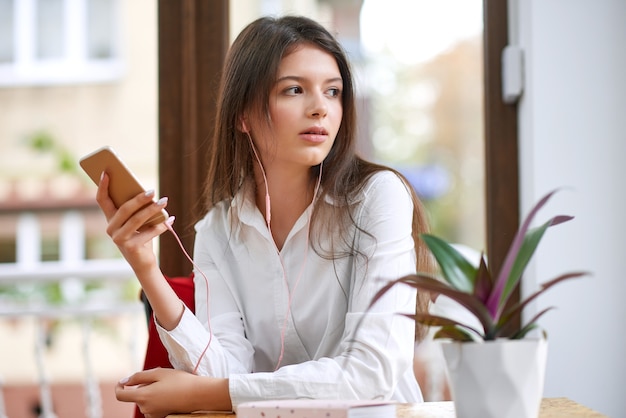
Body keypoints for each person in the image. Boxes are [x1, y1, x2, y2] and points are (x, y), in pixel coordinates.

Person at [96, 15, 432, 418]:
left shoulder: (378, 197)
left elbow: (371, 375)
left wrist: (205, 395)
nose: (320, 108)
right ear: (243, 115)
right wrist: (146, 267)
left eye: (333, 91)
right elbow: (224, 369)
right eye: (294, 90)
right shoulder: (218, 230)